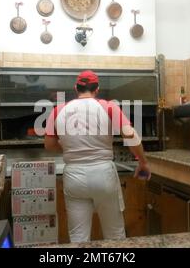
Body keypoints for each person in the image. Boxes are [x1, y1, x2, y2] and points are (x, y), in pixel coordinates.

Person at [44, 70, 150, 243]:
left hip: (73, 176)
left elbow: (49, 145)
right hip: (104, 175)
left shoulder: (58, 110)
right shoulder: (108, 106)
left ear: (76, 88)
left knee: (78, 237)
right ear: (97, 89)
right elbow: (130, 134)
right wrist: (143, 162)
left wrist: (70, 149)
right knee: (115, 235)